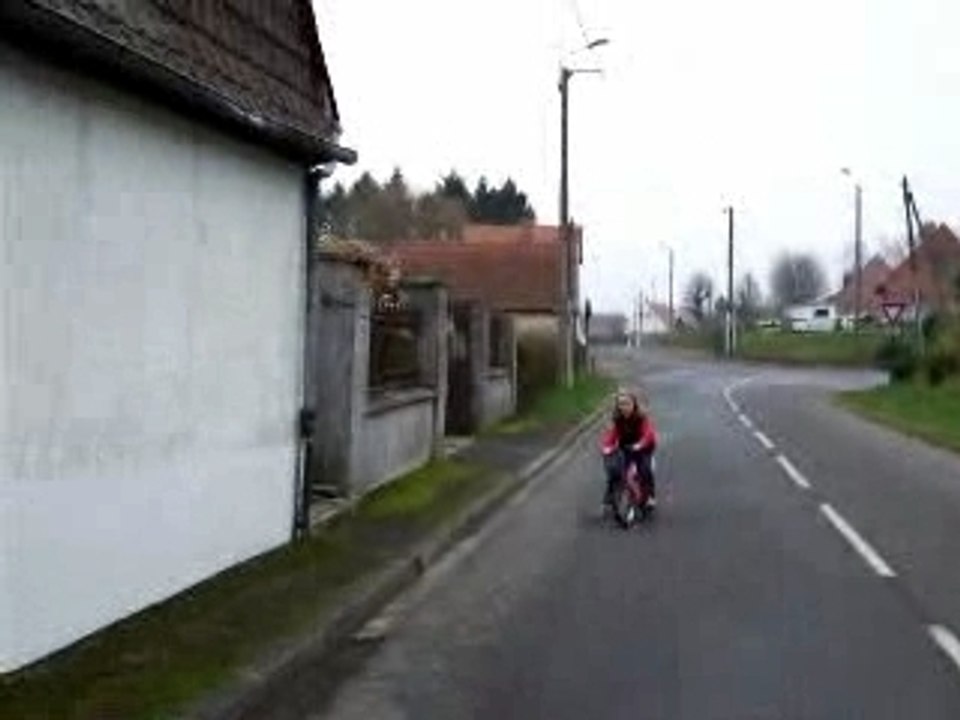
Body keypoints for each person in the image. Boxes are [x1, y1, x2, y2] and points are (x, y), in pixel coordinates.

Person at [600, 391, 658, 510]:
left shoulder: (641, 417)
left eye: (627, 403)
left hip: (644, 448)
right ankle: (610, 498)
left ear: (633, 404)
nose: (624, 407)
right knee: (615, 471)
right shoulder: (618, 419)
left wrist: (640, 444)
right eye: (621, 404)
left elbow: (648, 434)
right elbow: (612, 434)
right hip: (626, 447)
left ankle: (650, 497)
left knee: (645, 470)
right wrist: (606, 447)